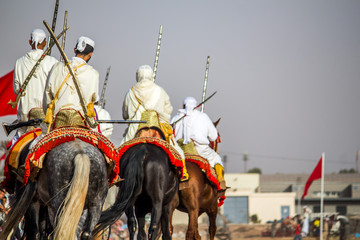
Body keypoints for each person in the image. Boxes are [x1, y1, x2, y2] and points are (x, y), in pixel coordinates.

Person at [121, 65, 189, 181]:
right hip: (156, 127)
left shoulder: (131, 92)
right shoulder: (159, 90)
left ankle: (117, 175)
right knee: (177, 151)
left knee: (120, 152)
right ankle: (182, 173)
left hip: (136, 128)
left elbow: (126, 114)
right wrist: (164, 120)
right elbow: (167, 110)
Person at [43, 36, 99, 130]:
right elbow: (94, 99)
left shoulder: (57, 67)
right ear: (90, 54)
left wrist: (48, 114)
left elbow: (47, 96)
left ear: (75, 50)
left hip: (58, 120)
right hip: (80, 120)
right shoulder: (93, 73)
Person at [12, 29, 58, 143]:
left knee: (14, 149)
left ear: (29, 42)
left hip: (25, 117)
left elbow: (16, 89)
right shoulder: (53, 62)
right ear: (45, 43)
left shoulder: (19, 62)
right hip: (47, 117)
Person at [171, 96, 225, 188]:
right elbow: (213, 137)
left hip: (180, 152)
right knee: (216, 158)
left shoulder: (175, 118)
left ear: (182, 106)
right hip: (200, 151)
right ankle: (220, 181)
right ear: (196, 106)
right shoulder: (203, 116)